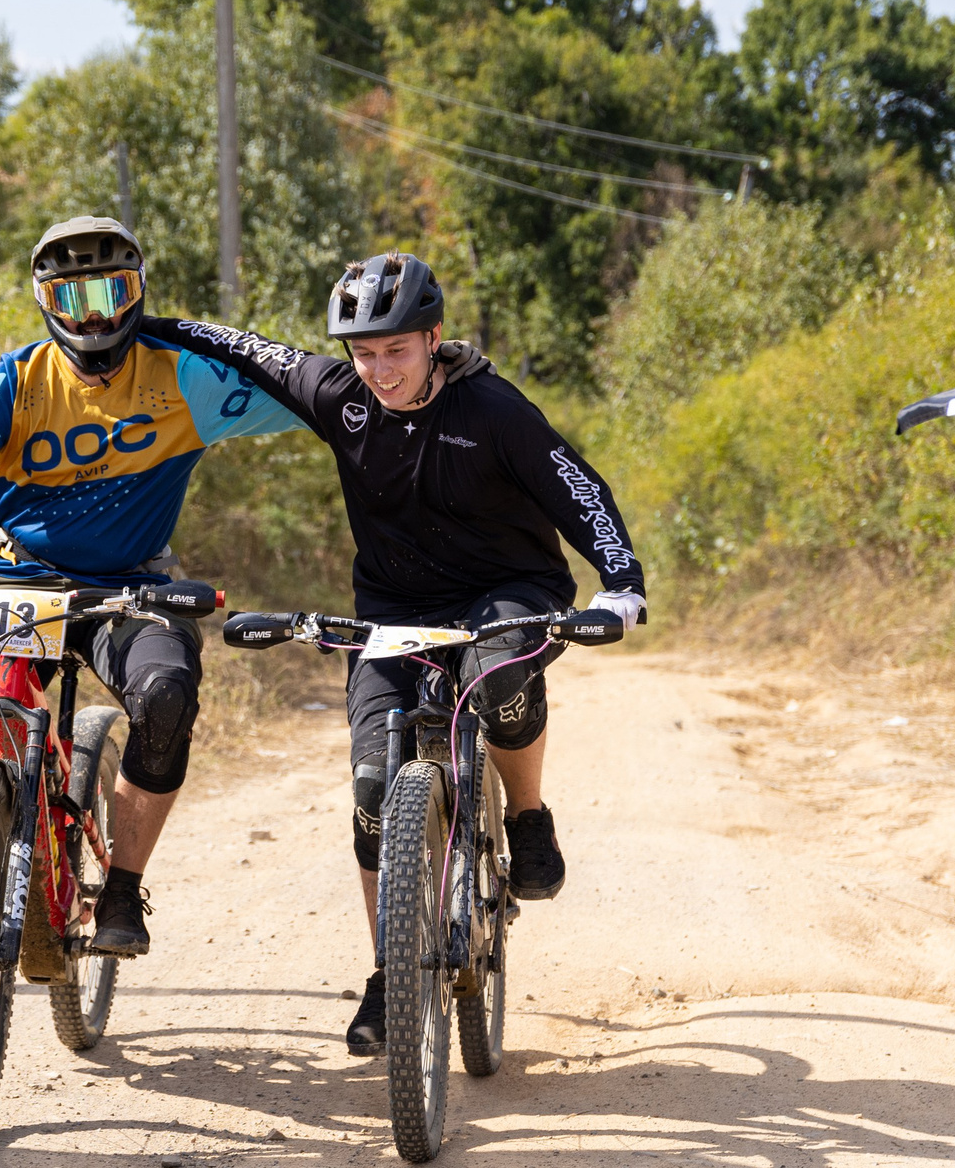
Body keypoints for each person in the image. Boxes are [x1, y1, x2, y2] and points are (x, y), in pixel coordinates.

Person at [143, 252, 647, 1053]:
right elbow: (252, 349)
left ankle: (527, 816)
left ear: (434, 338)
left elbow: (577, 486)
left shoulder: (494, 409)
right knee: (375, 788)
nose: (378, 370)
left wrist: (621, 582)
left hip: (505, 589)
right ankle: (390, 973)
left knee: (501, 681)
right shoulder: (341, 399)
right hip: (393, 608)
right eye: (364, 353)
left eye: (397, 350)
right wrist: (145, 325)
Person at [0, 216, 298, 959]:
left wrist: (402, 379)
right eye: (75, 298)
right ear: (46, 301)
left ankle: (119, 889)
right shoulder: (17, 381)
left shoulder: (184, 377)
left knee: (165, 698)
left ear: (139, 292)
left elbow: (316, 396)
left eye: (114, 292)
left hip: (133, 586)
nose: (97, 315)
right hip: (22, 580)